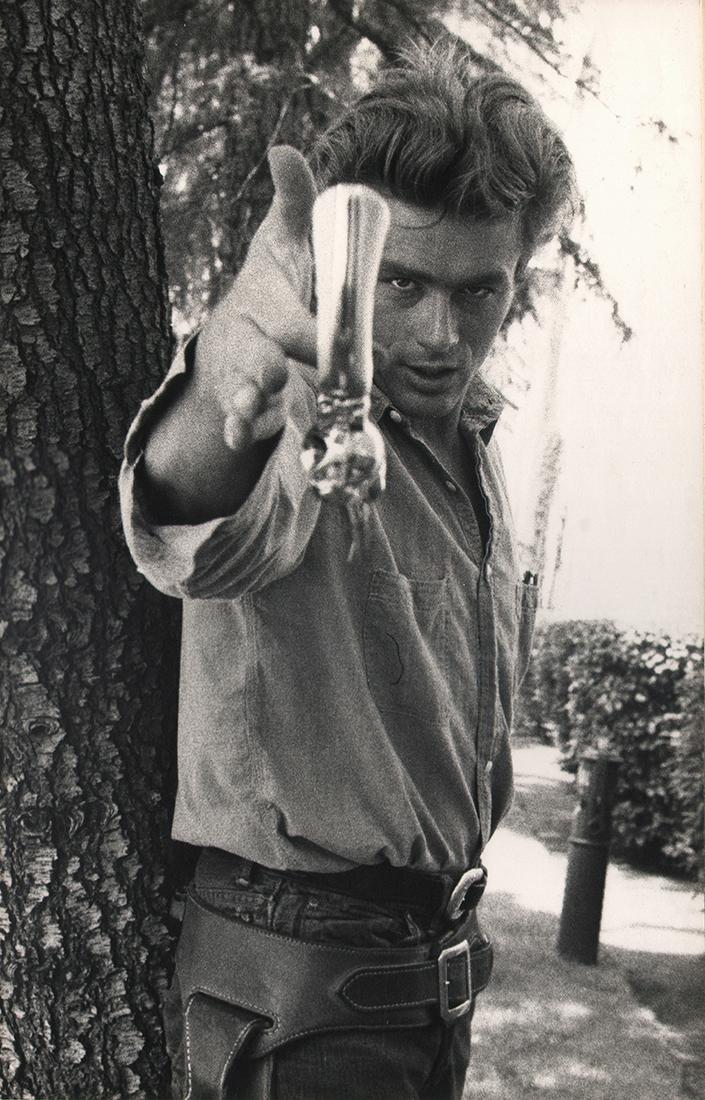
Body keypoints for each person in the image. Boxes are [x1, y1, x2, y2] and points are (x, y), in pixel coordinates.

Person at [120, 38, 577, 1100]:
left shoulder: (474, 440)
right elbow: (198, 500)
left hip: (425, 988)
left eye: (481, 292)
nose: (440, 333)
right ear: (345, 263)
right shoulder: (318, 413)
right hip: (306, 992)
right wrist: (235, 367)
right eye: (405, 282)